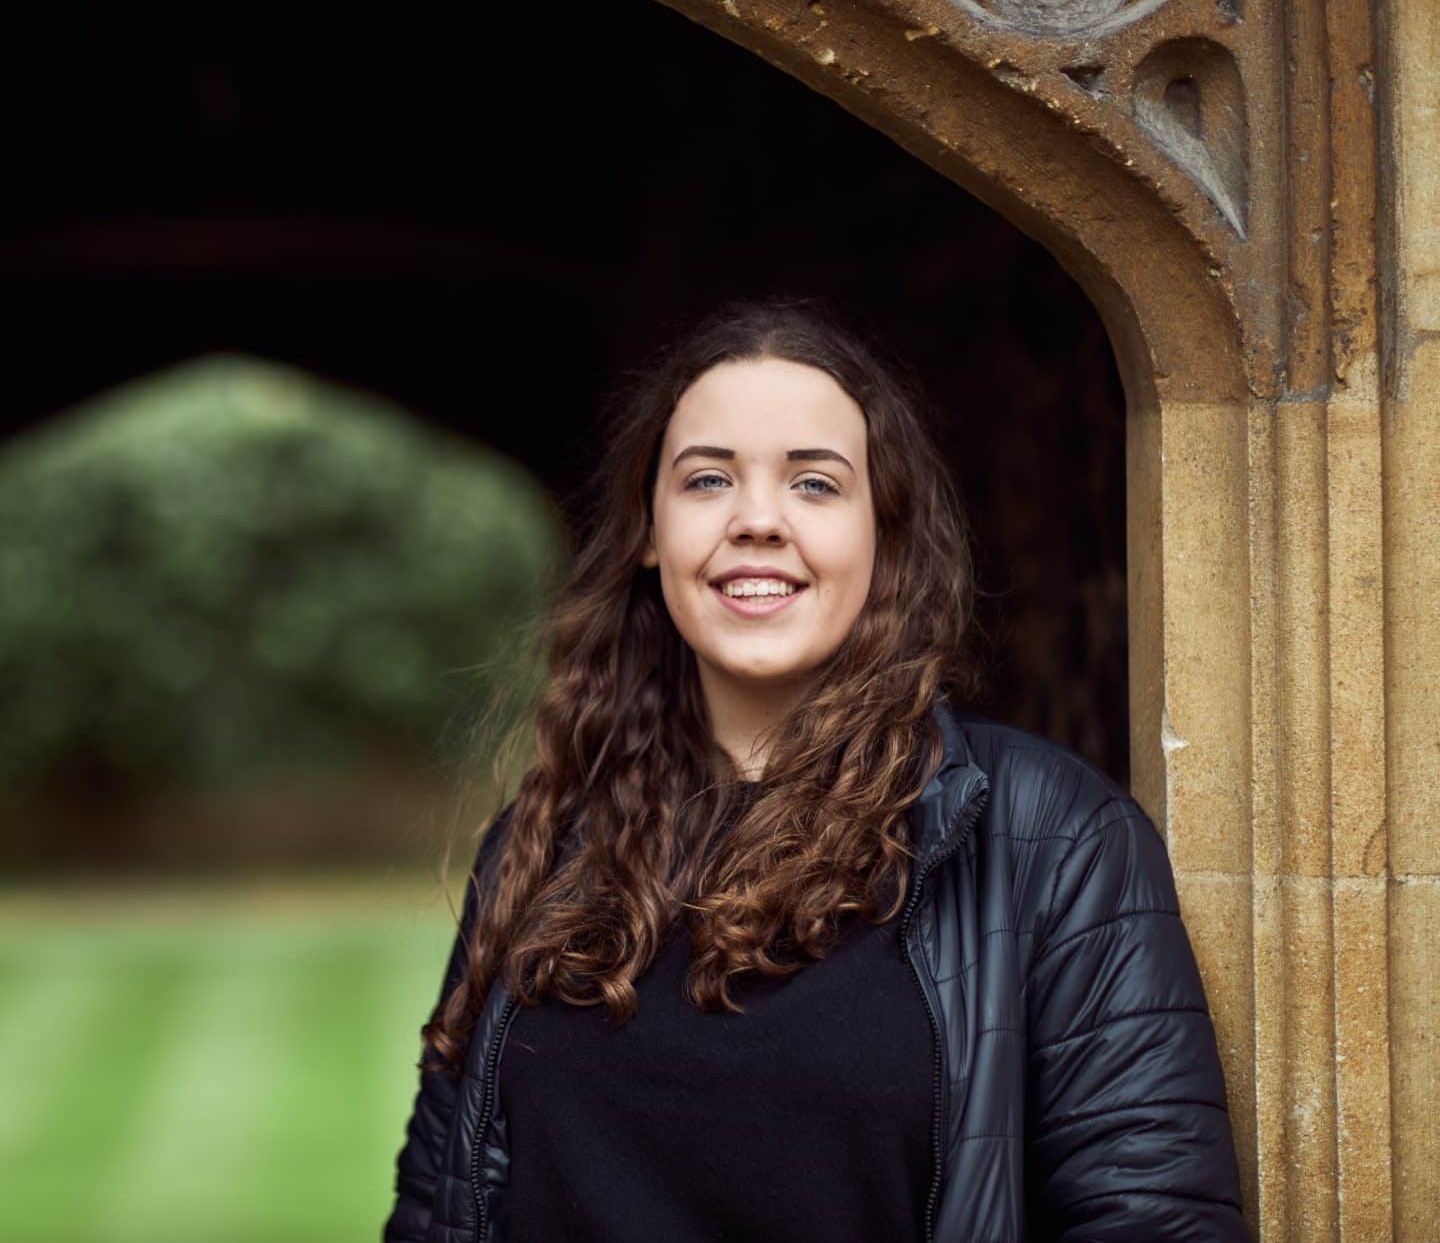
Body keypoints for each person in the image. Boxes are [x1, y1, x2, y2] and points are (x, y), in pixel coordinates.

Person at [382, 299, 1249, 1243]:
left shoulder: (1050, 836)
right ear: (646, 531)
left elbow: (1153, 1223)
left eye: (815, 485)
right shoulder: (547, 841)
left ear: (885, 532)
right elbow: (440, 1210)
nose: (758, 520)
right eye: (708, 480)